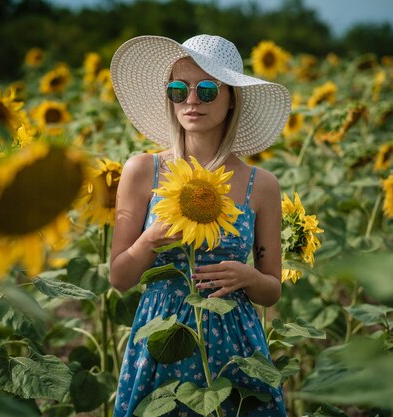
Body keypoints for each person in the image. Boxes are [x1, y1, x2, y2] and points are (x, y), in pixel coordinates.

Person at [109, 34, 291, 416]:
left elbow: (271, 289)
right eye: (179, 89)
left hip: (235, 340)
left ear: (231, 98)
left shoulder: (262, 185)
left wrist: (248, 277)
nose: (191, 100)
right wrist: (150, 239)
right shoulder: (143, 170)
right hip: (162, 336)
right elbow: (120, 278)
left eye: (207, 90)